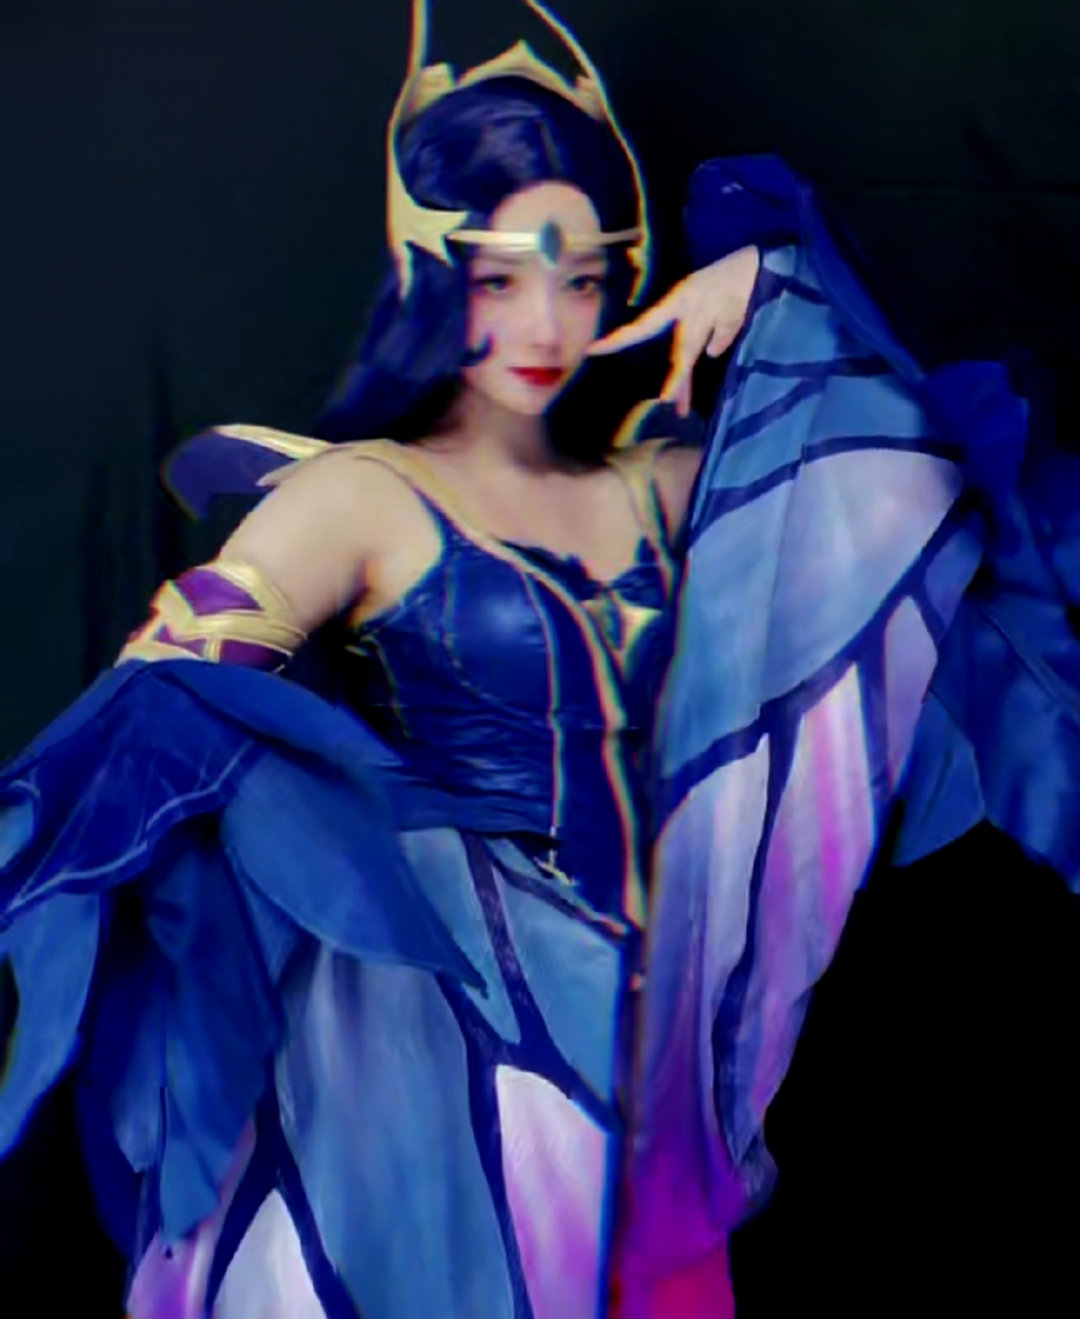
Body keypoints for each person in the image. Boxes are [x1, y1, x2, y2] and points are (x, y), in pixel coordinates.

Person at [0, 2, 1072, 1318]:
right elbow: (158, 706)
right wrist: (295, 810)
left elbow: (926, 490)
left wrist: (773, 283)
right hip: (438, 1022)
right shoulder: (365, 495)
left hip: (669, 1012)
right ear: (431, 271)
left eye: (580, 275)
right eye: (501, 277)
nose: (546, 320)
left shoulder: (675, 481)